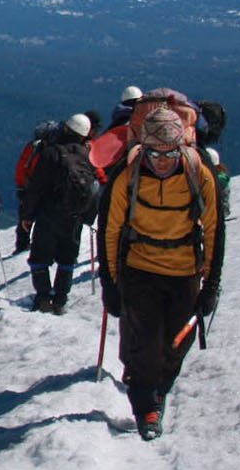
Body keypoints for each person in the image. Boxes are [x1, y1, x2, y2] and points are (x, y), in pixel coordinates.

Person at [102, 107, 220, 441]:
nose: (163, 160)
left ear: (181, 147)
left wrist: (210, 283)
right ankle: (145, 404)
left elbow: (213, 230)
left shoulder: (199, 174)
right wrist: (110, 283)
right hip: (140, 269)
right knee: (147, 341)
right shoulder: (128, 177)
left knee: (175, 341)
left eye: (170, 153)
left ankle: (158, 389)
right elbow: (111, 231)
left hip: (184, 272)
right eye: (155, 153)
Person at [19, 113, 98, 314]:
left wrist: (27, 215)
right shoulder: (89, 155)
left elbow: (36, 187)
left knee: (39, 258)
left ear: (65, 129)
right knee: (67, 259)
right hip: (75, 217)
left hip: (49, 213)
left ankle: (44, 297)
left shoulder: (51, 153)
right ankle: (61, 300)